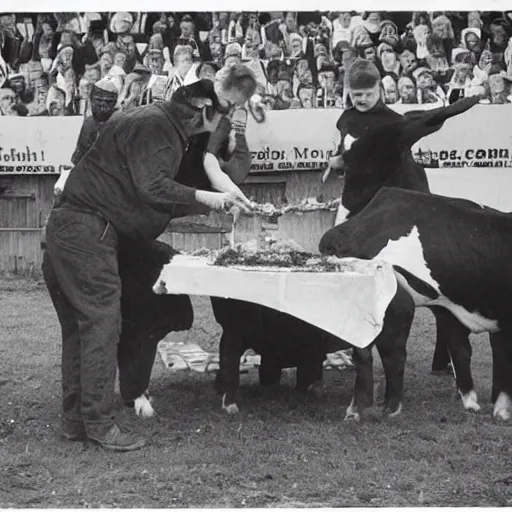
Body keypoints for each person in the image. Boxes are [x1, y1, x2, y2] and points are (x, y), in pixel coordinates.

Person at [42, 77, 254, 452]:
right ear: (203, 110)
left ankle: (76, 422)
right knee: (102, 326)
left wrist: (220, 192)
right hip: (87, 232)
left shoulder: (152, 121)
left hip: (69, 227)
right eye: (222, 112)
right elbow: (151, 187)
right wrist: (209, 198)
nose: (224, 120)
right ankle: (100, 424)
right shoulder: (157, 126)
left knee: (80, 330)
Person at [323, 58, 425, 224]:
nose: (363, 99)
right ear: (348, 92)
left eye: (369, 94)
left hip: (386, 199)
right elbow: (343, 147)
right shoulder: (346, 118)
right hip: (354, 195)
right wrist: (335, 163)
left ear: (380, 89)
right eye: (357, 95)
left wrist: (342, 161)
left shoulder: (394, 122)